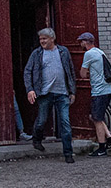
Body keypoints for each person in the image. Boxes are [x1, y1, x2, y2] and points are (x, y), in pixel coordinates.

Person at [23, 28, 76, 163]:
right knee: (41, 120)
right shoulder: (37, 54)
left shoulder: (63, 52)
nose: (42, 41)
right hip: (44, 93)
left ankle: (68, 153)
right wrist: (30, 89)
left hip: (62, 93)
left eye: (44, 39)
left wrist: (72, 91)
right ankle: (37, 139)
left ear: (52, 38)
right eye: (40, 39)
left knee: (65, 123)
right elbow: (27, 71)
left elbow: (70, 71)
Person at [79, 32, 111, 157]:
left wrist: (88, 73)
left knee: (96, 118)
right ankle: (110, 138)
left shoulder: (88, 54)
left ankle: (102, 148)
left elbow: (82, 74)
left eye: (81, 42)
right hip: (107, 90)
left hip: (99, 91)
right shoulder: (100, 52)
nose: (80, 44)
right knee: (95, 116)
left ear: (85, 42)